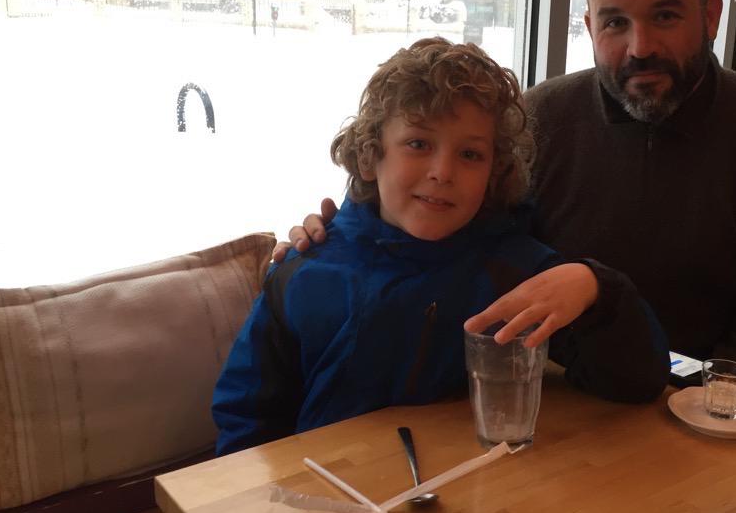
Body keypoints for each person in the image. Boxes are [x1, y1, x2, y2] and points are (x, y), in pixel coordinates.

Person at [278, 0, 736, 398]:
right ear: (590, 27)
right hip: (556, 400)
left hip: (712, 415)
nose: (639, 45)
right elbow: (438, 221)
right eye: (615, 22)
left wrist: (694, 411)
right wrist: (334, 235)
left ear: (710, 15)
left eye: (665, 16)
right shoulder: (537, 120)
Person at [212, 37, 668, 457]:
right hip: (326, 504)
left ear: (495, 172)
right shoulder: (307, 271)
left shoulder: (515, 274)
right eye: (418, 143)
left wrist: (595, 288)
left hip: (467, 501)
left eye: (470, 154)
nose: (442, 171)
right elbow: (248, 415)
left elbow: (636, 381)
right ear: (371, 157)